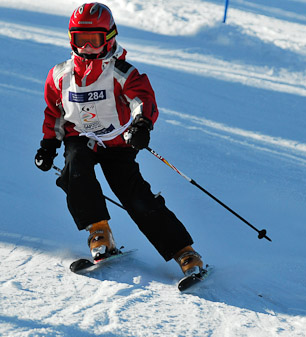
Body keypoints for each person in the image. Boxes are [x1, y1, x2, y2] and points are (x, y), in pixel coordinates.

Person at [35, 2, 205, 277]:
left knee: (135, 197)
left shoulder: (120, 71)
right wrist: (48, 144)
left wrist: (141, 124)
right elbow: (55, 112)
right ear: (71, 39)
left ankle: (184, 251)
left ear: (109, 38)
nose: (88, 47)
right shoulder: (60, 75)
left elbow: (143, 99)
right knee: (75, 169)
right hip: (82, 137)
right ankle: (99, 231)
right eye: (81, 40)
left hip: (118, 142)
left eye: (95, 40)